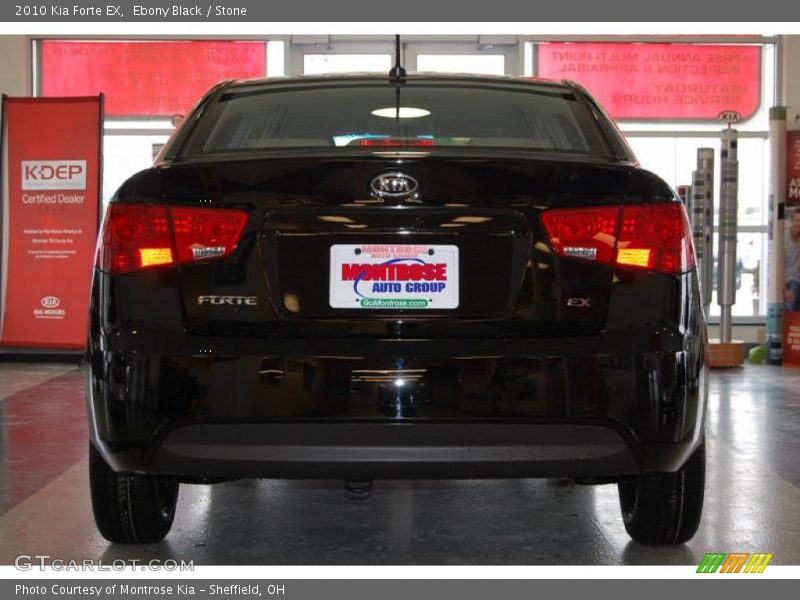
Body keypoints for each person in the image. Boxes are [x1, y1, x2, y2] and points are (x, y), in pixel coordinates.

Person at [785, 208, 800, 311]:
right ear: (792, 221)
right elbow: (777, 271)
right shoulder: (784, 239)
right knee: (790, 303)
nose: (799, 224)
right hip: (788, 280)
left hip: (797, 278)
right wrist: (785, 290)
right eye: (797, 220)